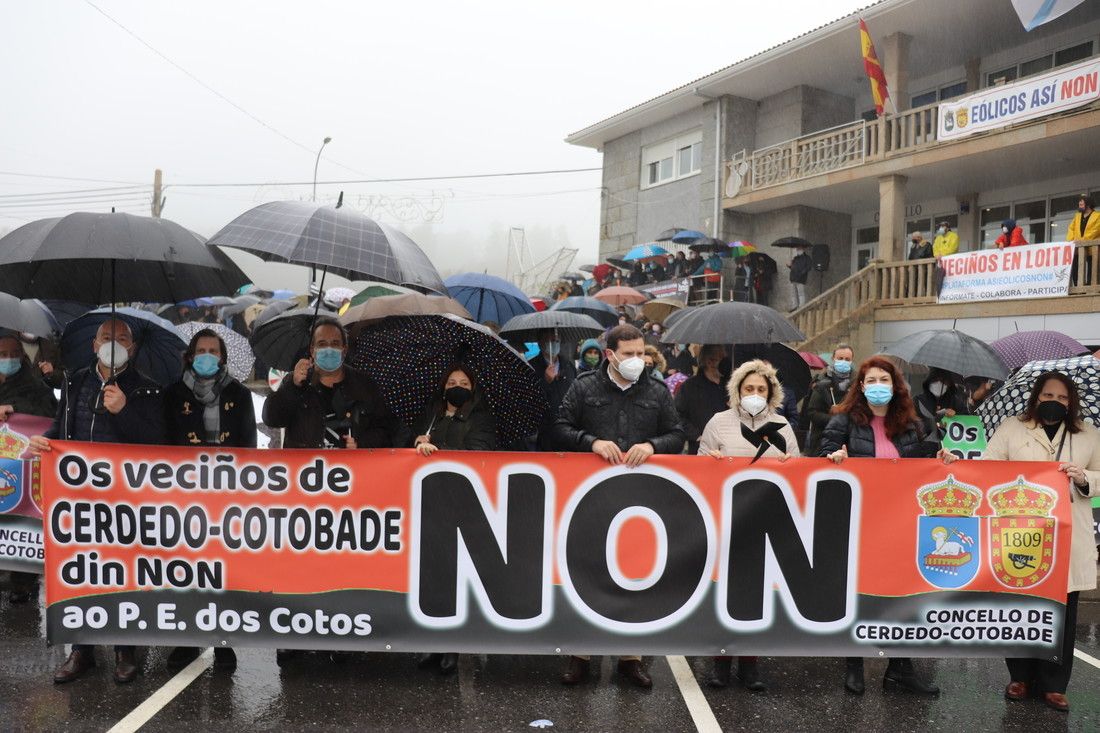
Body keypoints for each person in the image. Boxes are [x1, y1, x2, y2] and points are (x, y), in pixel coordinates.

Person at [30, 318, 166, 685]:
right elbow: (62, 429)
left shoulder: (148, 390)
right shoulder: (75, 381)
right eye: (107, 337)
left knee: (123, 571)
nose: (114, 343)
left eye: (122, 338)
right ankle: (82, 649)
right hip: (78, 497)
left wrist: (125, 411)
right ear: (94, 344)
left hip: (127, 500)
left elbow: (156, 444)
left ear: (132, 348)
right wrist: (46, 440)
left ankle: (125, 649)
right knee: (81, 570)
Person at [553, 324, 685, 689]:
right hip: (591, 497)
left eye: (641, 353)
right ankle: (580, 655)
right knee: (587, 572)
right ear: (609, 354)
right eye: (628, 354)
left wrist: (654, 445)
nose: (636, 360)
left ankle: (631, 657)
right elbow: (559, 428)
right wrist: (591, 442)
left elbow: (678, 434)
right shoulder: (583, 387)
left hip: (641, 499)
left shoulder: (657, 392)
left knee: (636, 575)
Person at [819, 356, 949, 697]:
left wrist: (941, 459)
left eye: (884, 380)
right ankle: (854, 665)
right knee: (859, 592)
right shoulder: (844, 419)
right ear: (861, 386)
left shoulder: (912, 422)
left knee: (903, 594)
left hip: (900, 523)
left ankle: (900, 668)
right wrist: (833, 458)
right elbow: (821, 454)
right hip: (859, 522)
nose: (878, 386)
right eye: (871, 380)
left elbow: (925, 460)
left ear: (896, 386)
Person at [982, 371, 1100, 712]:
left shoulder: (1088, 434)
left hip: (1068, 534)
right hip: (1020, 534)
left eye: (1063, 398)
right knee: (1018, 606)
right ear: (1036, 396)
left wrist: (1084, 478)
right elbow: (989, 466)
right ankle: (1019, 677)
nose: (1055, 402)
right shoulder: (1012, 428)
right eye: (1049, 395)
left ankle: (1054, 685)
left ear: (1072, 403)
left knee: (1063, 610)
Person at [699, 359, 799, 693]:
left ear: (771, 392)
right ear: (737, 390)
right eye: (748, 389)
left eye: (760, 389)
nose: (754, 394)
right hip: (726, 519)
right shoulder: (718, 422)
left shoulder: (782, 425)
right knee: (726, 590)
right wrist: (709, 462)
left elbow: (798, 473)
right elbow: (697, 468)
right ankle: (721, 662)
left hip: (766, 519)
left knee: (758, 593)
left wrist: (788, 465)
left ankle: (751, 664)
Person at [162, 329, 257, 673]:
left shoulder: (240, 394)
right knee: (185, 568)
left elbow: (249, 446)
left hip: (227, 496)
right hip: (183, 496)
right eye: (200, 350)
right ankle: (186, 640)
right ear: (189, 356)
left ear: (222, 357)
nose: (206, 355)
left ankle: (223, 641)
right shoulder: (172, 394)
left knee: (222, 570)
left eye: (212, 350)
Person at [411, 365, 497, 674]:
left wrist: (439, 451)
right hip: (428, 504)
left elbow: (479, 453)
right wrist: (417, 441)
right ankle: (429, 641)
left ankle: (452, 646)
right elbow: (403, 445)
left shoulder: (482, 418)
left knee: (456, 579)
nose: (456, 386)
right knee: (429, 576)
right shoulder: (430, 414)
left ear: (473, 388)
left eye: (463, 382)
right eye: (451, 381)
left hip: (464, 507)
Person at [263, 318, 400, 450]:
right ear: (312, 350)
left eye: (335, 343)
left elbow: (386, 430)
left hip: (351, 470)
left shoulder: (364, 384)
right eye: (322, 344)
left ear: (344, 350)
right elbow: (272, 419)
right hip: (306, 470)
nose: (329, 350)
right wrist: (293, 386)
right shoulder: (296, 382)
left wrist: (360, 443)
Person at [0, 334, 57, 604]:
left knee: (21, 520)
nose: (8, 360)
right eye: (2, 354)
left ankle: (22, 583)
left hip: (20, 470)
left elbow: (49, 409)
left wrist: (15, 408)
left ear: (23, 358)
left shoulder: (33, 386)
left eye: (13, 354)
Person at [676, 344, 728, 455]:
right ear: (708, 361)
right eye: (717, 359)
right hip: (700, 449)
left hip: (729, 448)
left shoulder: (731, 385)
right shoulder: (689, 387)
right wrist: (696, 435)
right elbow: (677, 415)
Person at [803, 344, 854, 456]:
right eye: (840, 358)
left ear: (852, 361)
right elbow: (812, 412)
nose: (843, 362)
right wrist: (834, 419)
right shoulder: (821, 382)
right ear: (833, 359)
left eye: (847, 359)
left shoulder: (857, 383)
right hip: (821, 440)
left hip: (849, 442)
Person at [529, 329, 576, 450]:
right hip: (544, 432)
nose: (554, 344)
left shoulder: (568, 366)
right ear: (540, 343)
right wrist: (545, 382)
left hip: (567, 429)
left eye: (556, 341)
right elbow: (529, 400)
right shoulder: (531, 367)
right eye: (549, 341)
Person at [914, 368, 970, 444]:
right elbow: (913, 424)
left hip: (948, 446)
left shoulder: (954, 400)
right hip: (924, 447)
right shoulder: (918, 400)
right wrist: (936, 417)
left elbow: (967, 420)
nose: (939, 383)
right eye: (935, 380)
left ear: (949, 383)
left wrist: (956, 416)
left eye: (943, 381)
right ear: (929, 381)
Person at [787, 245, 812, 311]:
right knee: (793, 294)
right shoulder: (795, 258)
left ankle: (801, 307)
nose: (798, 250)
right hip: (793, 278)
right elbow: (793, 268)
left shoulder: (807, 258)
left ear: (803, 249)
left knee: (801, 294)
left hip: (801, 278)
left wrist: (802, 273)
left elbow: (809, 267)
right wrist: (789, 266)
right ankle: (794, 307)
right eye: (797, 248)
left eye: (799, 248)